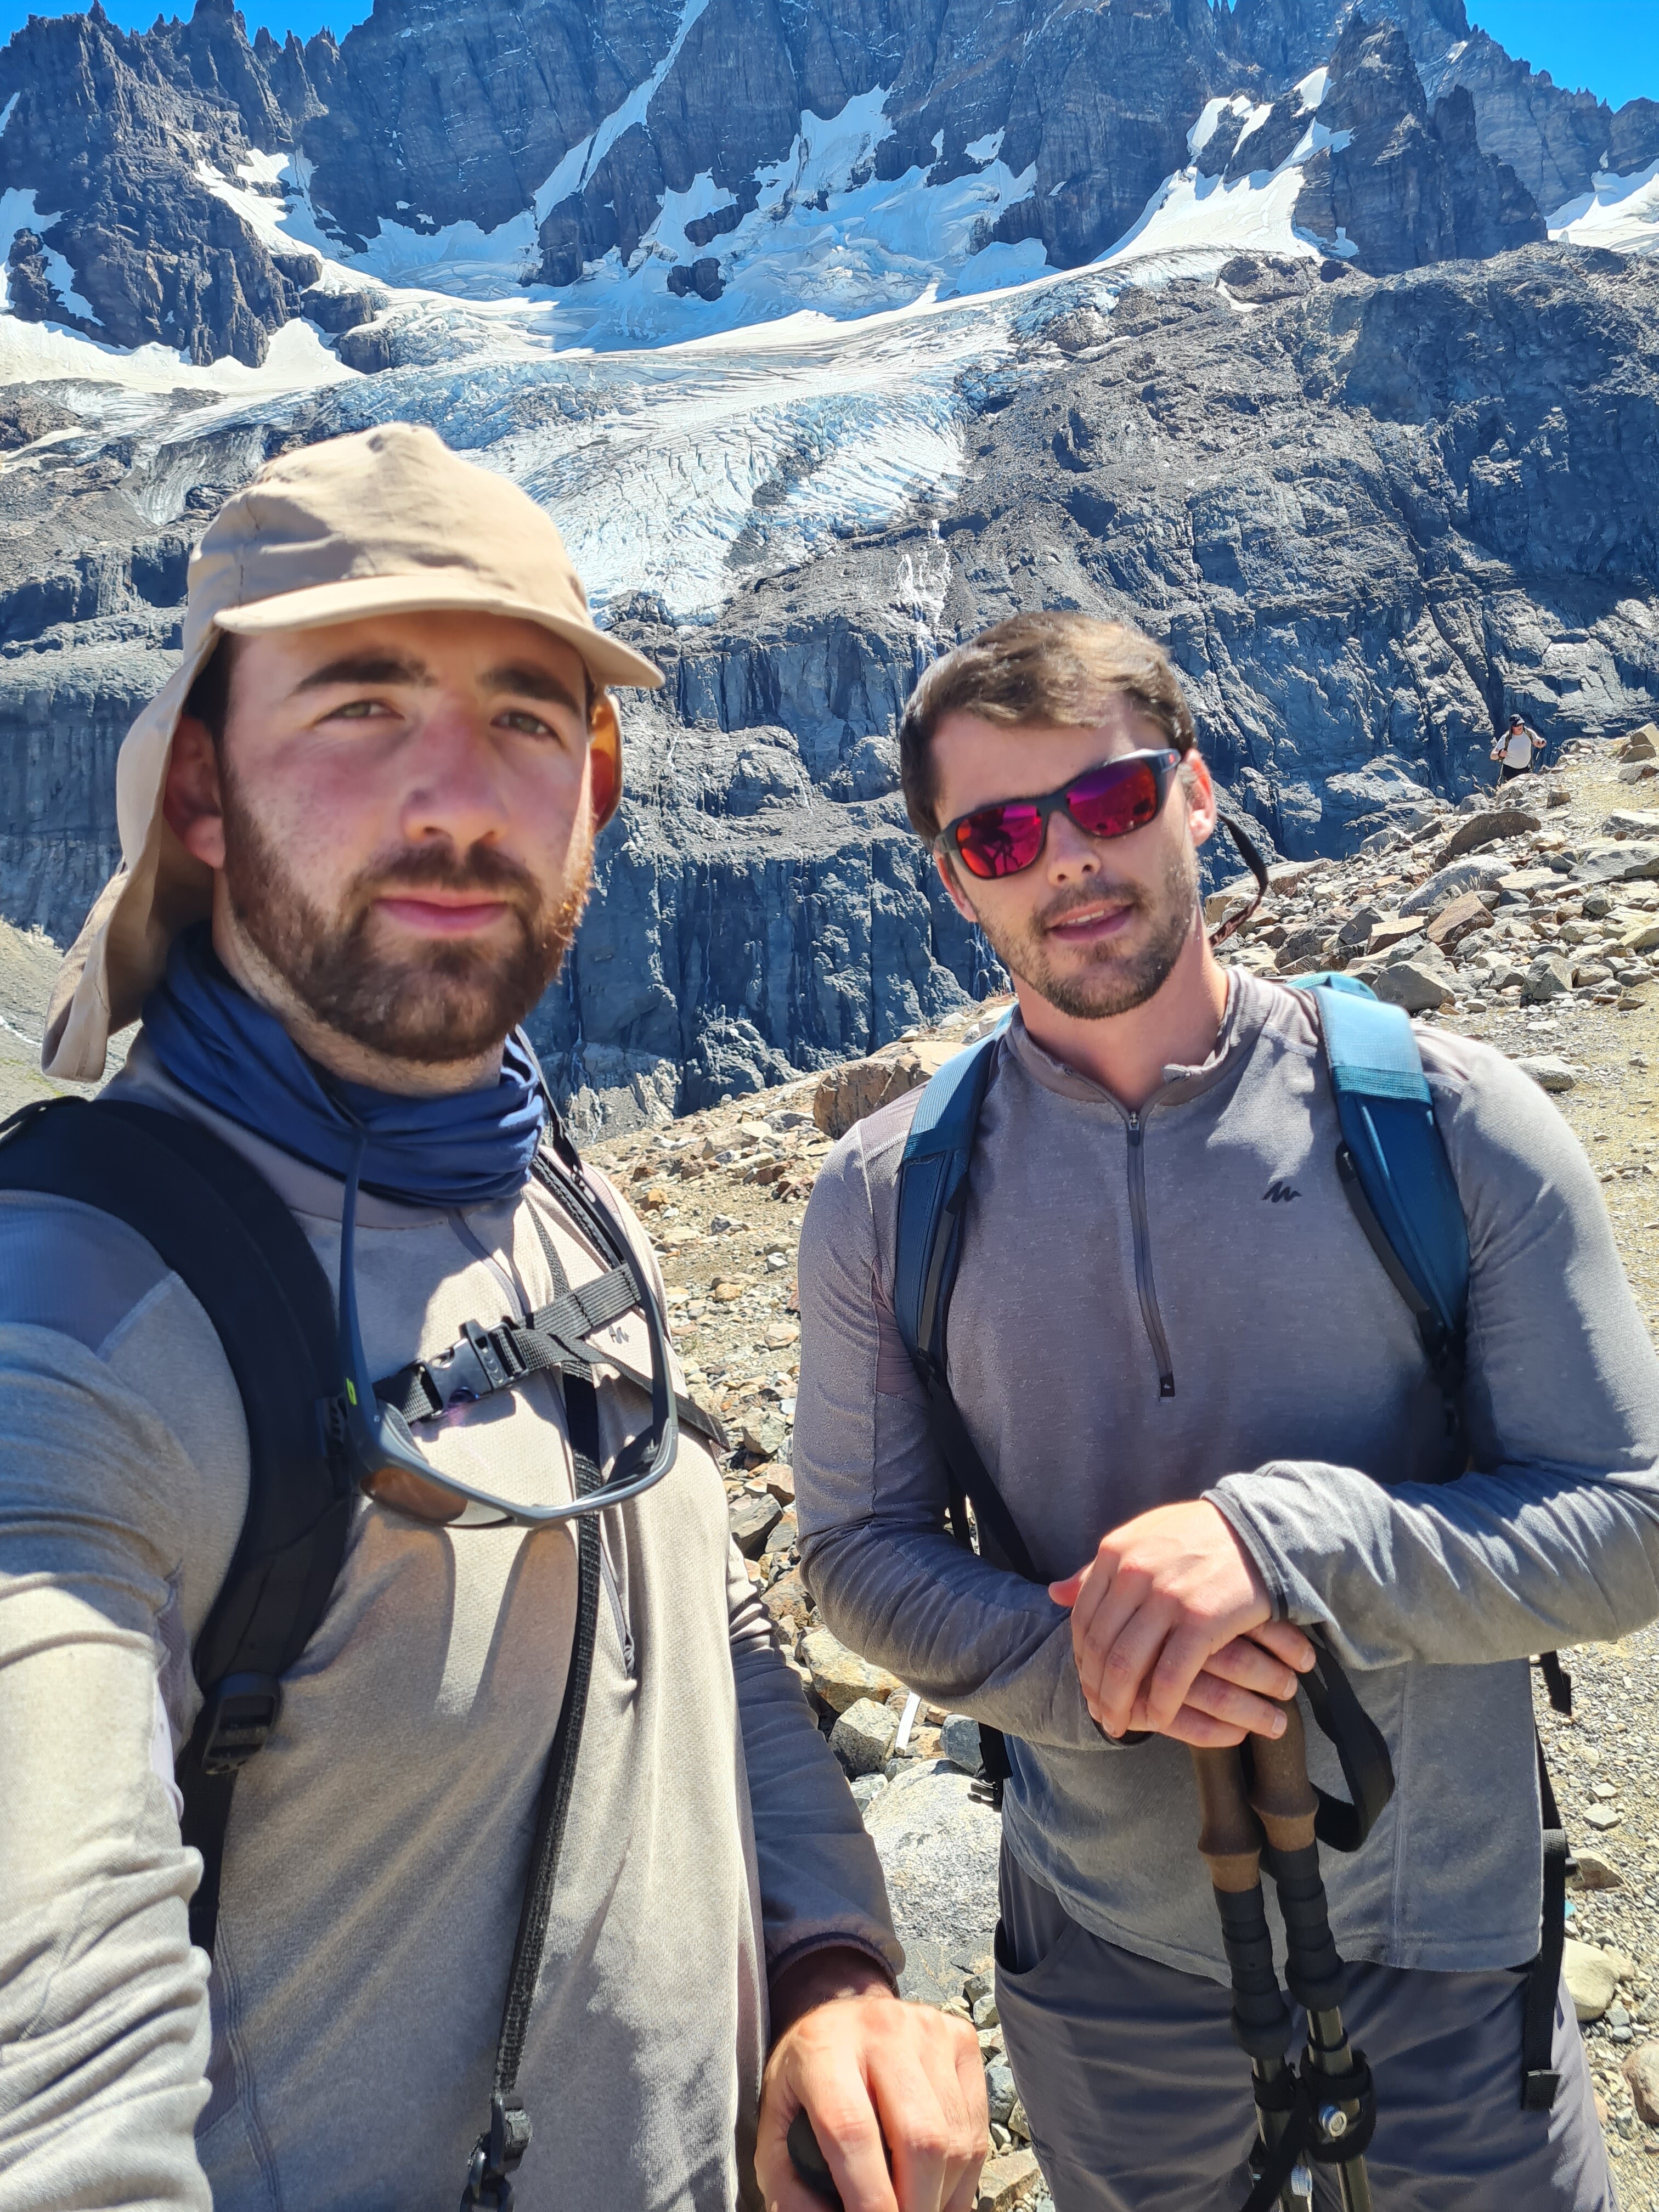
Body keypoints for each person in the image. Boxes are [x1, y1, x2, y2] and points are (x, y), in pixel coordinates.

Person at [0, 424, 985, 2212]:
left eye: (529, 719)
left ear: (593, 797)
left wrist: (829, 1963)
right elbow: (47, 2086)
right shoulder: (74, 1333)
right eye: (362, 708)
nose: (457, 795)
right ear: (202, 796)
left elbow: (693, 1602)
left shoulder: (554, 1193)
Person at [791, 608, 1659, 2212]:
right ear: (950, 877)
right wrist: (1097, 1668)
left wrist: (1285, 1544)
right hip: (1110, 1973)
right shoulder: (879, 1199)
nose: (1067, 860)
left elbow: (1627, 1521)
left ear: (1194, 791)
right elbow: (853, 1550)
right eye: (999, 832)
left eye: (1110, 801)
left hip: (1457, 1940)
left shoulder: (1453, 1123)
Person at [1492, 712, 1547, 783]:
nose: (1520, 727)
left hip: (1526, 769)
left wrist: (1541, 743)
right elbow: (1492, 756)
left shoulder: (1528, 733)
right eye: (1517, 725)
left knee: (1530, 788)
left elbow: (1537, 742)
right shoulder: (1506, 738)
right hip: (1510, 772)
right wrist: (1499, 754)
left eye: (1521, 724)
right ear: (1512, 727)